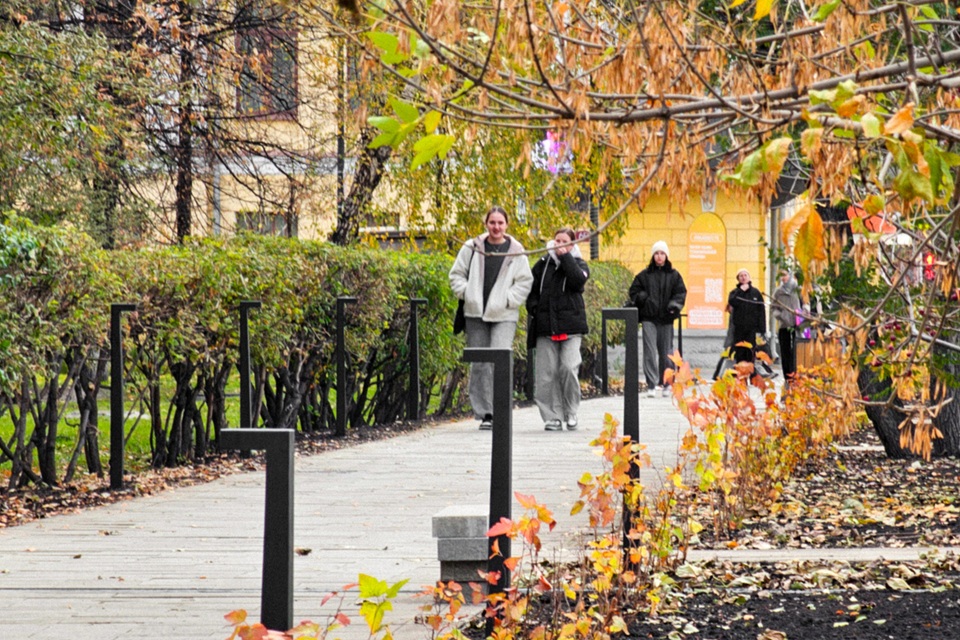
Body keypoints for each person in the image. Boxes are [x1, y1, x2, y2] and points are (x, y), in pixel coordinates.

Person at [449, 206, 533, 430]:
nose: (496, 227)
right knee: (480, 363)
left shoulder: (516, 250)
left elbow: (525, 281)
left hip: (504, 314)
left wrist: (509, 299)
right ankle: (485, 413)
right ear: (486, 223)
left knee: (500, 359)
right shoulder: (473, 247)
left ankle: (501, 410)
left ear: (507, 225)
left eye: (500, 223)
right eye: (492, 222)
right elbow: (456, 274)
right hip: (475, 314)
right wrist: (468, 294)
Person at [526, 228, 589, 431]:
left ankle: (571, 412)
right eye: (556, 240)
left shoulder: (578, 263)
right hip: (545, 327)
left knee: (569, 368)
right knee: (546, 373)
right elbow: (531, 289)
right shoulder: (543, 265)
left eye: (564, 241)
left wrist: (566, 258)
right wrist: (534, 307)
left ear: (571, 245)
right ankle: (552, 416)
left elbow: (578, 281)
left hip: (571, 327)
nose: (559, 244)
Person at [628, 241, 687, 398]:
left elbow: (680, 293)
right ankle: (651, 384)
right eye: (656, 253)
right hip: (649, 318)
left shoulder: (674, 276)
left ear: (666, 256)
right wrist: (643, 298)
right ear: (653, 256)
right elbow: (634, 291)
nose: (659, 256)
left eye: (662, 253)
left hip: (666, 319)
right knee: (649, 351)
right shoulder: (644, 275)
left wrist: (673, 306)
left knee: (666, 352)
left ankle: (667, 383)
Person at [727, 269, 766, 365]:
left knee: (750, 352)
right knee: (740, 352)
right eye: (741, 276)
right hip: (739, 329)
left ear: (749, 277)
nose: (743, 277)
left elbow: (761, 311)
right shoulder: (734, 292)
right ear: (738, 279)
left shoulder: (756, 293)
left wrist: (762, 329)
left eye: (745, 275)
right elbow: (732, 302)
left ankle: (750, 373)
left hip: (752, 329)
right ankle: (740, 374)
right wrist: (741, 291)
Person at [772, 270, 801, 384]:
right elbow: (773, 308)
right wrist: (780, 315)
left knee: (797, 350)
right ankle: (787, 376)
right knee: (785, 351)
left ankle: (796, 374)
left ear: (790, 275)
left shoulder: (798, 289)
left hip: (798, 325)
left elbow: (806, 302)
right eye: (780, 276)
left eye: (784, 275)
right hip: (784, 325)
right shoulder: (778, 292)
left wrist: (802, 313)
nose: (783, 278)